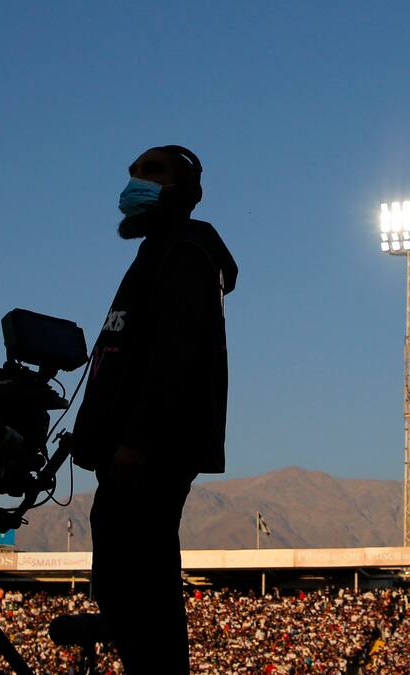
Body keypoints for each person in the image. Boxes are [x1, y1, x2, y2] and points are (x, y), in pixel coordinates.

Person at [72, 144, 237, 674]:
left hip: (149, 455)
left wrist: (136, 443)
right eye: (133, 172)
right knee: (127, 586)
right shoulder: (157, 252)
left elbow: (176, 356)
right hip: (131, 452)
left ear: (183, 191)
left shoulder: (184, 252)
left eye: (151, 171)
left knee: (140, 589)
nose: (135, 181)